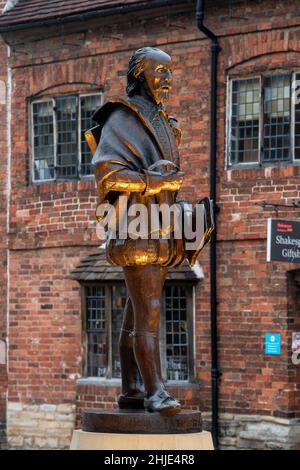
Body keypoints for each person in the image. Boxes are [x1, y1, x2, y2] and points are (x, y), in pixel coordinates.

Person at [87, 47, 188, 415]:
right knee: (150, 309)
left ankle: (131, 389)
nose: (166, 79)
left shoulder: (162, 119)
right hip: (136, 227)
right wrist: (152, 181)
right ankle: (156, 392)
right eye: (159, 72)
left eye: (169, 72)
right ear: (139, 74)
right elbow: (108, 173)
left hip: (160, 226)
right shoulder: (123, 117)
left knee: (136, 311)